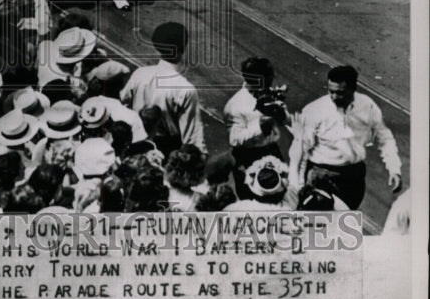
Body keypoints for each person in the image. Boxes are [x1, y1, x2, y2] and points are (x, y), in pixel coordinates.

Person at [289, 65, 401, 210]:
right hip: (321, 176)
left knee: (346, 221)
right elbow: (300, 149)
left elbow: (384, 137)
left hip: (353, 177)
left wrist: (394, 169)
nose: (334, 97)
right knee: (317, 223)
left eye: (340, 93)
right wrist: (298, 186)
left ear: (353, 88)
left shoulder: (367, 106)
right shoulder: (314, 110)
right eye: (331, 91)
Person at [120, 22, 206, 154]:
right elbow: (192, 137)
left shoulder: (140, 74)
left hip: (136, 140)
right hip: (168, 147)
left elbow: (123, 104)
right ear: (182, 48)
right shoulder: (185, 89)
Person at [223, 56, 292, 199]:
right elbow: (235, 140)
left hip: (272, 152)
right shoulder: (236, 105)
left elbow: (286, 121)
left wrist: (281, 114)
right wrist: (259, 126)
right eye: (266, 80)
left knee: (282, 194)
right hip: (248, 157)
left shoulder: (269, 95)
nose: (270, 84)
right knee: (253, 199)